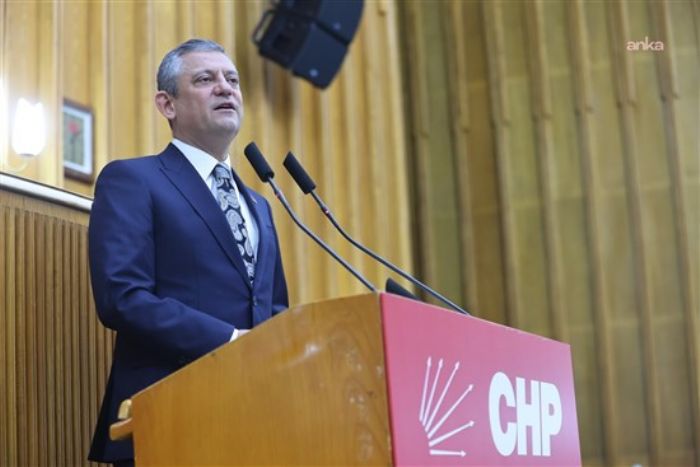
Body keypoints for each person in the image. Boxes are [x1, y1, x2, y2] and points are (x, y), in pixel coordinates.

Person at [87, 38, 289, 465]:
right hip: (168, 416)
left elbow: (274, 310)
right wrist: (230, 341)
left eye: (232, 79)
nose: (225, 88)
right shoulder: (134, 180)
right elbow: (122, 297)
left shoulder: (260, 204)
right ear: (167, 104)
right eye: (204, 79)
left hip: (260, 422)